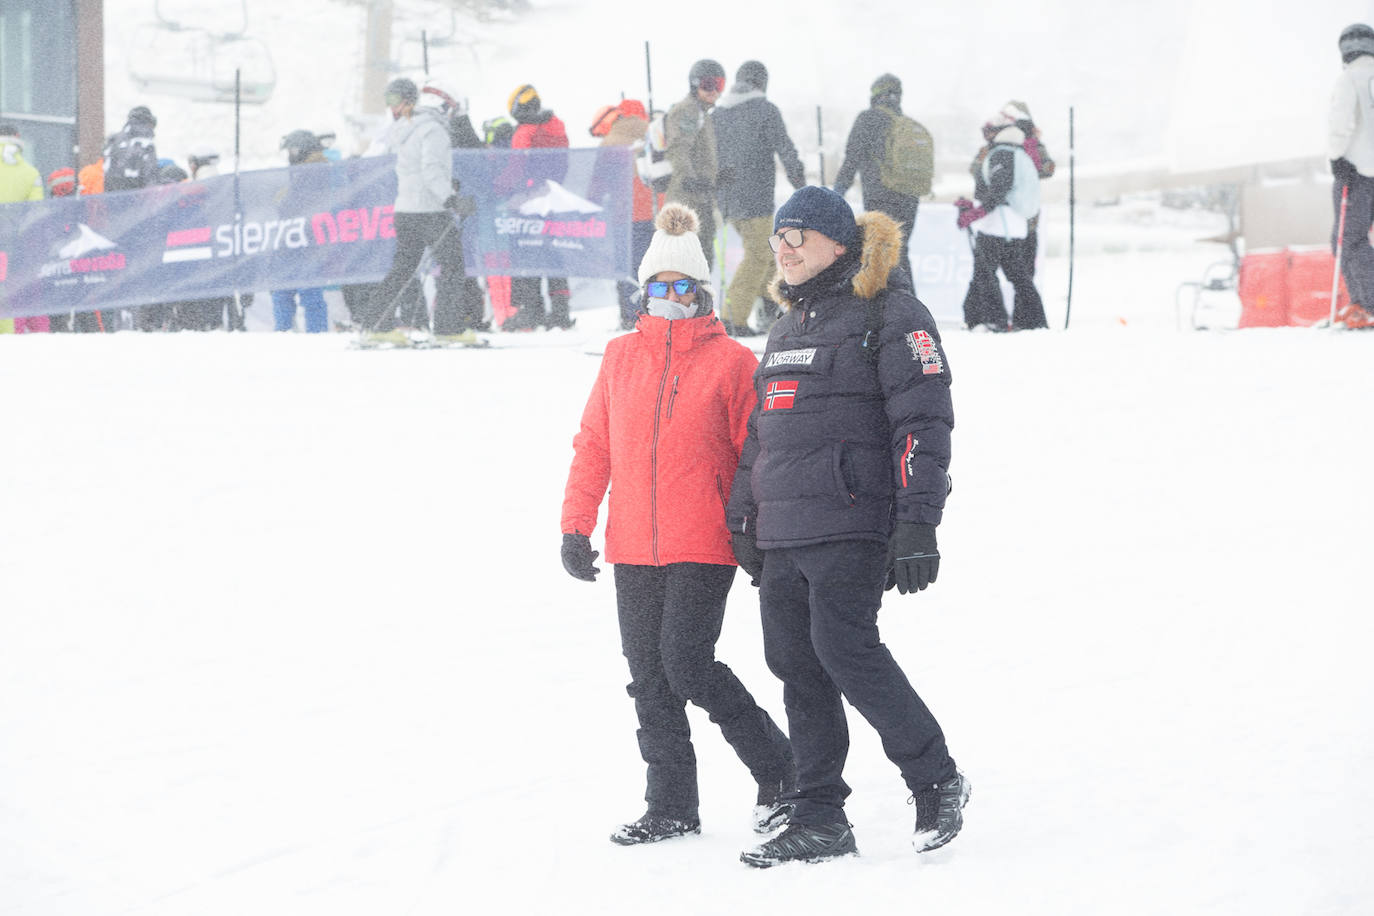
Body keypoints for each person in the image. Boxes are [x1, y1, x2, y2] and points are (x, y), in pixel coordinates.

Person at [726, 186, 967, 867]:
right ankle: (820, 815)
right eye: (778, 238)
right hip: (784, 533)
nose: (785, 248)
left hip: (853, 520)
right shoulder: (785, 327)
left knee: (846, 652)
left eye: (799, 236)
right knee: (797, 667)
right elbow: (759, 435)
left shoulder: (892, 315)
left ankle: (936, 779)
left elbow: (924, 423)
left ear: (841, 243)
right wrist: (745, 516)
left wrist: (918, 523)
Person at [561, 202, 795, 847]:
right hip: (633, 543)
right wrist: (576, 525)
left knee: (687, 662)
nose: (668, 297)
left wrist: (756, 528)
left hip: (704, 539)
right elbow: (594, 445)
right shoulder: (619, 357)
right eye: (658, 287)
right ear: (645, 292)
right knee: (649, 676)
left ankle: (781, 769)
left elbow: (758, 452)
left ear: (701, 294)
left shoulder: (731, 363)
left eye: (681, 287)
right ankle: (670, 804)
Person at [364, 77, 469, 333]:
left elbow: (415, 169)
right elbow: (431, 170)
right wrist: (451, 199)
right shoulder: (433, 129)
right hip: (430, 211)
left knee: (403, 269)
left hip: (406, 210)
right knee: (453, 267)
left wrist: (447, 183)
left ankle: (375, 324)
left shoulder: (407, 127)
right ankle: (448, 328)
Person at [713, 60, 806, 337]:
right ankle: (733, 318)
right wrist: (800, 185)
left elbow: (708, 155)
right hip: (756, 198)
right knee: (759, 255)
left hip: (727, 198)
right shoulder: (765, 110)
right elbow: (785, 148)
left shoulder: (719, 113)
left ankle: (769, 310)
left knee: (767, 254)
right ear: (762, 82)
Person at [832, 74, 933, 291]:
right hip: (909, 196)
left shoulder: (868, 119)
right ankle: (909, 307)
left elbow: (852, 158)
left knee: (882, 253)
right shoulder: (903, 123)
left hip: (881, 196)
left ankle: (894, 311)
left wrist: (836, 192)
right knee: (899, 251)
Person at [955, 107, 1049, 331]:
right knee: (1017, 275)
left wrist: (973, 214)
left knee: (985, 272)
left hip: (1000, 225)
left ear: (999, 132)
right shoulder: (1017, 152)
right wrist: (973, 207)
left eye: (989, 132)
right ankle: (1032, 321)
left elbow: (999, 190)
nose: (986, 136)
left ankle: (990, 319)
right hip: (1013, 225)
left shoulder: (1002, 153)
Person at [502, 84, 573, 331]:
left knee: (526, 252)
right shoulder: (557, 128)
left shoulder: (525, 131)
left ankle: (530, 311)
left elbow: (516, 167)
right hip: (551, 199)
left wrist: (501, 188)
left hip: (525, 201)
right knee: (553, 253)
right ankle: (561, 311)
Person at [589, 99, 661, 330]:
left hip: (626, 216)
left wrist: (590, 208)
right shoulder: (654, 133)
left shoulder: (611, 142)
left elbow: (597, 184)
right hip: (657, 212)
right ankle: (658, 312)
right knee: (655, 267)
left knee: (628, 268)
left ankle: (632, 316)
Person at [1329, 23, 1374, 329]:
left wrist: (1336, 158)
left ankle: (1367, 304)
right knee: (1355, 241)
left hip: (1358, 172)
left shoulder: (1350, 79)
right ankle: (1363, 302)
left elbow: (1341, 123)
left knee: (1348, 240)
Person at [664, 59, 725, 268]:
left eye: (720, 85)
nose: (714, 91)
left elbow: (702, 157)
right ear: (695, 84)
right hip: (686, 201)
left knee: (701, 260)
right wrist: (689, 179)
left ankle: (699, 299)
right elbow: (678, 147)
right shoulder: (688, 110)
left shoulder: (702, 114)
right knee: (689, 262)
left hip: (700, 199)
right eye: (709, 85)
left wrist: (715, 179)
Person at [270, 131, 331, 333]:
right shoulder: (301, 171)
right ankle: (288, 332)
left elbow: (300, 202)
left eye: (291, 150)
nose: (289, 155)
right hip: (292, 239)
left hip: (308, 240)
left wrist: (284, 200)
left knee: (307, 291)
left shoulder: (315, 172)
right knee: (283, 291)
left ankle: (312, 333)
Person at [0, 124, 44, 334]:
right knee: (5, 291)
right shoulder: (30, 172)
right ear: (18, 140)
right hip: (9, 244)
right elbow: (36, 212)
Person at [103, 106, 160, 192]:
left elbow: (104, 167)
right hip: (136, 195)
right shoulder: (146, 143)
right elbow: (150, 174)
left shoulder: (114, 140)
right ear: (149, 122)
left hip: (111, 194)